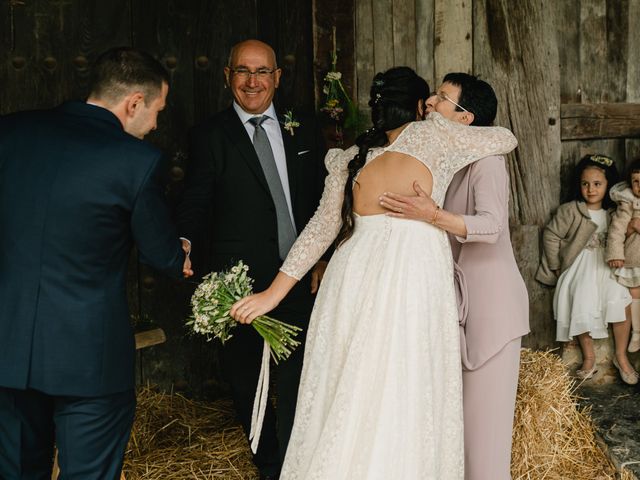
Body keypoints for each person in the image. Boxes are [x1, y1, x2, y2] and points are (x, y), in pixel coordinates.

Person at [230, 66, 517, 479]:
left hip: (352, 275)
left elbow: (319, 231)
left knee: (349, 386)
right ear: (420, 107)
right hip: (411, 278)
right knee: (404, 388)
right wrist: (442, 125)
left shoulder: (349, 158)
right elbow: (505, 137)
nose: (435, 107)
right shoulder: (438, 135)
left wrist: (270, 295)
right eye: (430, 101)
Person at [0, 47, 192, 479]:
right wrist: (181, 250)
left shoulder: (9, 134)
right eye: (158, 109)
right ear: (134, 103)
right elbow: (163, 256)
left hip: (7, 351)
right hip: (88, 361)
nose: (157, 124)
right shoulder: (137, 162)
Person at [176, 39, 327, 479]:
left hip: (299, 275)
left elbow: (323, 198)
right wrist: (183, 239)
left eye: (262, 72)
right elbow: (196, 199)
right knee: (244, 381)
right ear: (227, 76)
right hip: (238, 283)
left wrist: (321, 260)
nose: (253, 81)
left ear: (278, 77)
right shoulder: (209, 134)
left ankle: (300, 462)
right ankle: (269, 467)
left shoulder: (304, 127)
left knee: (300, 376)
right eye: (243, 71)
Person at [379, 72, 529, 480]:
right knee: (453, 443)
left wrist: (434, 215)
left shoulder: (487, 161)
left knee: (484, 449)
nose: (429, 103)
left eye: (441, 99)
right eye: (432, 97)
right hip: (450, 311)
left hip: (491, 312)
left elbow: (492, 225)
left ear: (465, 118)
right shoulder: (439, 160)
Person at [536, 154, 637, 385]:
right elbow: (551, 234)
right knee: (580, 296)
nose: (591, 189)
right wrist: (555, 264)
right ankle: (589, 357)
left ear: (608, 185)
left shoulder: (614, 213)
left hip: (607, 264)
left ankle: (621, 357)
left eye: (597, 184)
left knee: (621, 297)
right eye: (585, 184)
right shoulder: (571, 210)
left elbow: (622, 237)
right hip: (581, 264)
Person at [606, 158, 640, 353]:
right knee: (635, 294)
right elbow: (617, 229)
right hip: (635, 257)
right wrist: (616, 253)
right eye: (636, 181)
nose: (639, 186)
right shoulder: (628, 202)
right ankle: (637, 333)